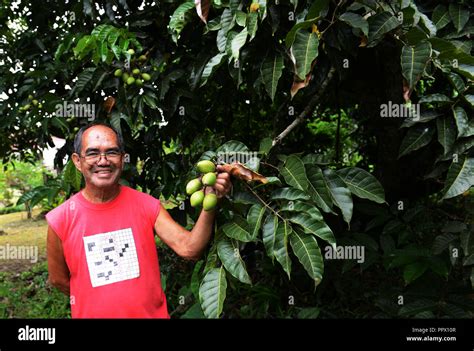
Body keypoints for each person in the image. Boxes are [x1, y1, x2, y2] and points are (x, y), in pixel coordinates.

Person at [46, 122, 232, 318]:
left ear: (122, 158)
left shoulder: (146, 205)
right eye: (92, 153)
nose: (103, 161)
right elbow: (59, 280)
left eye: (112, 152)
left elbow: (189, 248)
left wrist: (211, 199)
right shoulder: (60, 219)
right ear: (77, 161)